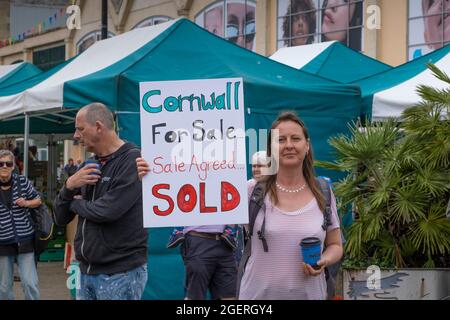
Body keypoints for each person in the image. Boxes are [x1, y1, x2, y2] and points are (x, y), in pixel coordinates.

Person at [238, 111, 343, 300]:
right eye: (281, 140)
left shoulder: (324, 192)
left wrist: (323, 260)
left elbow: (335, 244)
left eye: (295, 138)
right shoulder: (250, 191)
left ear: (307, 146)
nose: (289, 145)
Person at [53, 102, 148, 300]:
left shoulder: (133, 161)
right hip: (86, 272)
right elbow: (60, 218)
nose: (76, 136)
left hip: (119, 273)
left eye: (80, 129)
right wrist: (69, 186)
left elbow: (107, 211)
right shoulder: (90, 164)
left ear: (98, 126)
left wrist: (75, 204)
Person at [137, 158, 238, 300]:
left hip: (225, 244)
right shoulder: (184, 172)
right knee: (194, 297)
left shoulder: (227, 170)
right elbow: (159, 178)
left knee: (229, 297)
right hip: (198, 240)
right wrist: (145, 172)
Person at [0, 149, 42, 300]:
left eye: (8, 163)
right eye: (1, 163)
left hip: (25, 240)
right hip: (3, 243)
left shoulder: (22, 182)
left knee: (30, 283)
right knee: (4, 287)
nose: (4, 166)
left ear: (13, 166)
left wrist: (26, 203)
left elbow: (38, 200)